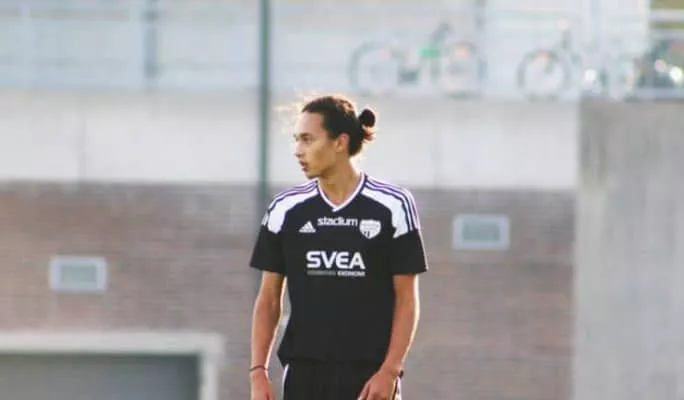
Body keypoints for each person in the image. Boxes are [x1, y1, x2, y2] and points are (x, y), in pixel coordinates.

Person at [248, 94, 428, 400]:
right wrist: (257, 372)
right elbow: (268, 299)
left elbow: (407, 300)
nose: (298, 150)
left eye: (308, 139)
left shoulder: (393, 205)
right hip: (304, 375)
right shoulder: (285, 209)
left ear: (340, 142)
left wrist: (389, 371)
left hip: (370, 378)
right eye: (296, 140)